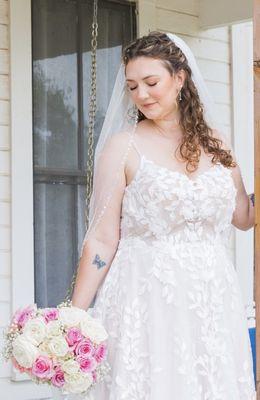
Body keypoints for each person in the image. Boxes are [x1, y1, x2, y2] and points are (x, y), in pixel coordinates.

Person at [71, 31, 256, 399]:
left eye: (151, 82)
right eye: (133, 86)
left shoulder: (217, 145)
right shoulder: (124, 147)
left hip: (211, 298)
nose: (141, 94)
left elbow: (243, 217)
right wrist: (74, 316)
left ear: (180, 79)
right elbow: (103, 238)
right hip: (145, 298)